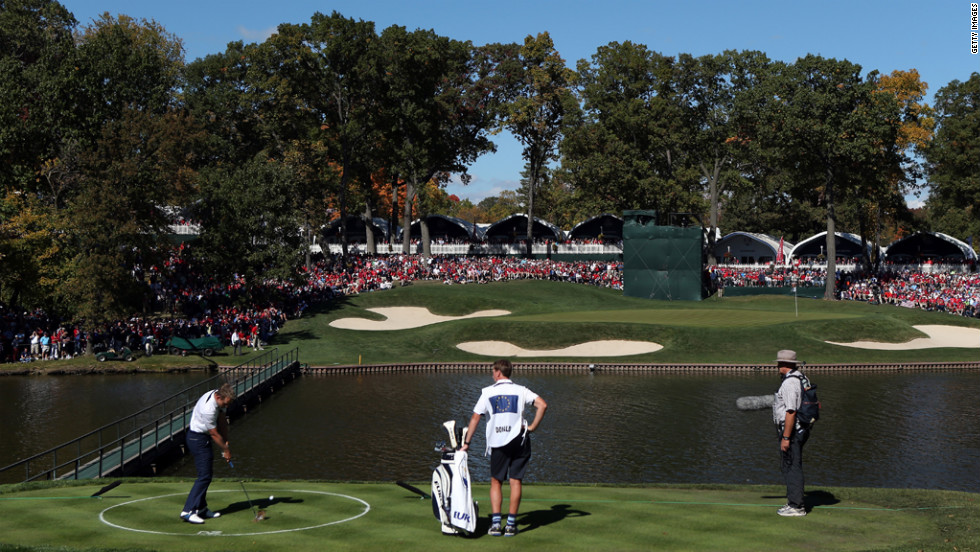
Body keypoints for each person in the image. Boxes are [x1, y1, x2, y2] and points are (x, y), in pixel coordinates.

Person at [461, 359, 547, 537]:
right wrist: (532, 427)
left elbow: (475, 418)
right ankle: (510, 525)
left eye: (493, 371)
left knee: (496, 481)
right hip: (520, 439)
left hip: (499, 441)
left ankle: (495, 525)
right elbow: (542, 405)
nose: (492, 374)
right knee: (515, 481)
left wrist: (467, 443)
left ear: (498, 372)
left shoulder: (487, 392)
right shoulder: (521, 390)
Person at [180, 383, 236, 524]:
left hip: (202, 438)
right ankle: (188, 511)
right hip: (197, 439)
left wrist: (226, 441)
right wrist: (226, 450)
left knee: (207, 475)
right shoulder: (208, 409)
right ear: (218, 396)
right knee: (204, 476)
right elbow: (214, 434)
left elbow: (222, 421)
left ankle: (201, 508)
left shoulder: (218, 398)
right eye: (225, 403)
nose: (226, 406)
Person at [772, 349, 811, 517]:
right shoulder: (802, 377)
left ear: (784, 365)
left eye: (779, 363)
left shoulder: (789, 383)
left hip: (792, 431)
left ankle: (796, 506)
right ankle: (794, 501)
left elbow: (790, 412)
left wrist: (786, 437)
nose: (777, 366)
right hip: (801, 428)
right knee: (792, 464)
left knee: (791, 466)